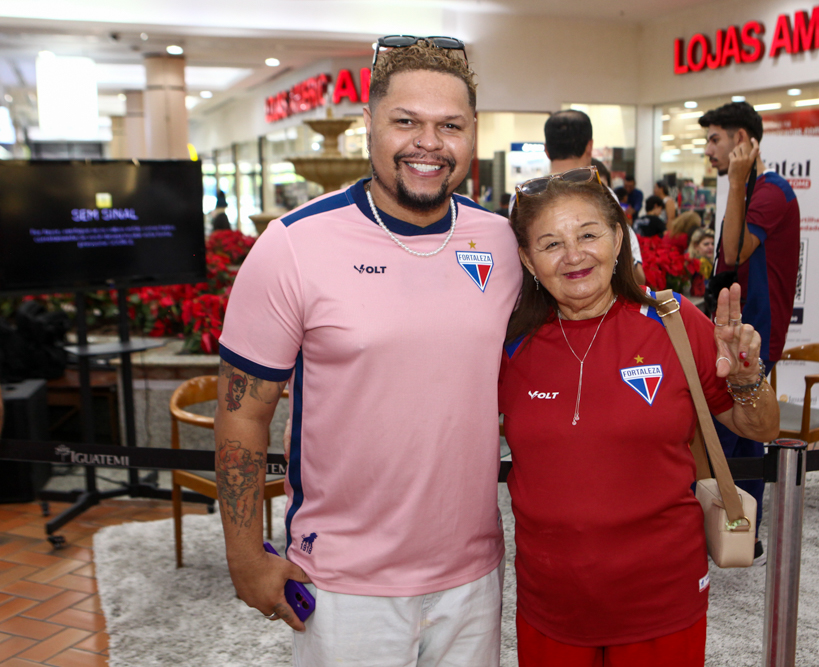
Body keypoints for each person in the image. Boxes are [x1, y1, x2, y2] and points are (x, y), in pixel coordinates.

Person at [214, 37, 520, 666]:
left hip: (472, 575)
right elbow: (242, 412)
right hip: (343, 584)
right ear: (369, 124)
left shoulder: (501, 241)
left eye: (450, 125)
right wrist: (245, 555)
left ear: (473, 132)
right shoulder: (292, 245)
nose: (428, 143)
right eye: (406, 121)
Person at [500, 168, 779, 664]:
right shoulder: (509, 344)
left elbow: (761, 428)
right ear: (527, 259)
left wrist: (746, 377)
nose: (574, 255)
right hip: (551, 601)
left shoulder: (673, 323)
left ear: (618, 238)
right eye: (551, 244)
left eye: (589, 235)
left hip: (662, 598)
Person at [700, 101, 799, 559]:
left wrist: (737, 182)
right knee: (734, 432)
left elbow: (735, 250)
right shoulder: (752, 190)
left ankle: (740, 529)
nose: (708, 150)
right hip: (737, 326)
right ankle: (738, 528)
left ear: (741, 140)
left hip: (756, 331)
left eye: (714, 139)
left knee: (736, 433)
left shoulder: (771, 191)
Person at [542, 109, 645, 286]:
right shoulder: (601, 194)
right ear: (589, 147)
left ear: (547, 150)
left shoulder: (522, 199)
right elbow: (632, 273)